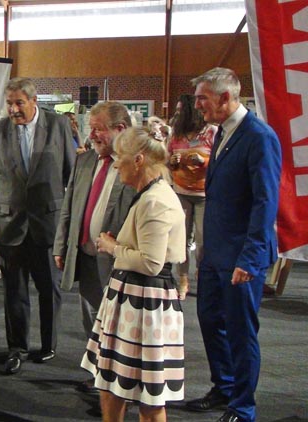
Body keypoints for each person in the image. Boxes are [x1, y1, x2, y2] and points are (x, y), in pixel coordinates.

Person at [185, 68, 281, 422]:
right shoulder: (223, 132)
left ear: (226, 97)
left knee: (241, 332)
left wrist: (251, 258)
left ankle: (243, 406)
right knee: (210, 321)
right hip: (215, 253)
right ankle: (223, 388)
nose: (198, 106)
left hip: (243, 256)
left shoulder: (259, 137)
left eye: (203, 99)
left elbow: (265, 202)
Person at [82, 127, 187, 422]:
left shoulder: (156, 201)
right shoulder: (149, 195)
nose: (116, 165)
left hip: (145, 303)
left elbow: (152, 264)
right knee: (111, 386)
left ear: (139, 160)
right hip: (132, 299)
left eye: (121, 158)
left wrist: (113, 247)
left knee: (148, 398)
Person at [0, 77, 75, 375]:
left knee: (49, 289)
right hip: (10, 225)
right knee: (14, 292)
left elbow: (71, 177)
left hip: (49, 222)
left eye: (19, 103)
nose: (13, 109)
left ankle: (48, 346)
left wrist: (71, 223)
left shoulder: (58, 126)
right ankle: (16, 348)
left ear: (34, 101)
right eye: (9, 103)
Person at [53, 101, 136, 394]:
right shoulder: (85, 160)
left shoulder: (137, 164)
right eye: (90, 129)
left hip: (119, 263)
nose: (91, 136)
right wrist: (61, 245)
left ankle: (122, 381)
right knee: (93, 320)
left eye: (98, 129)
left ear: (120, 129)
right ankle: (100, 371)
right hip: (85, 257)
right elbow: (69, 207)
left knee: (122, 325)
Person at [166, 94, 218, 300]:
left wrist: (203, 161)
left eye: (181, 110)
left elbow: (219, 160)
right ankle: (183, 280)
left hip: (205, 194)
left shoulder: (211, 132)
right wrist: (172, 161)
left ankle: (203, 276)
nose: (177, 114)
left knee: (204, 240)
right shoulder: (176, 135)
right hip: (181, 193)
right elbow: (167, 162)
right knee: (181, 240)